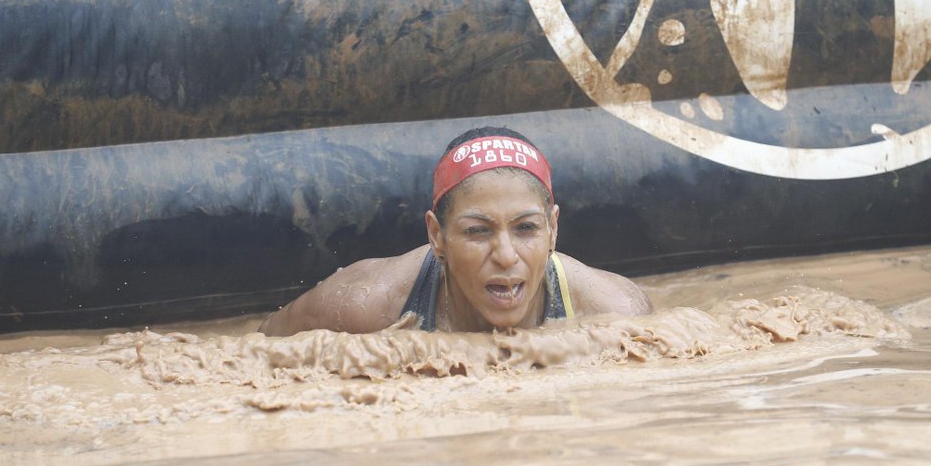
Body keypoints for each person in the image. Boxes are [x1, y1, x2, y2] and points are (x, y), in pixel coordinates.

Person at [258, 126, 652, 335]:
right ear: (437, 235)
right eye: (478, 231)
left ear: (552, 229)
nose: (505, 255)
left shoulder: (617, 313)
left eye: (526, 228)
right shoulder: (362, 307)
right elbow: (255, 347)